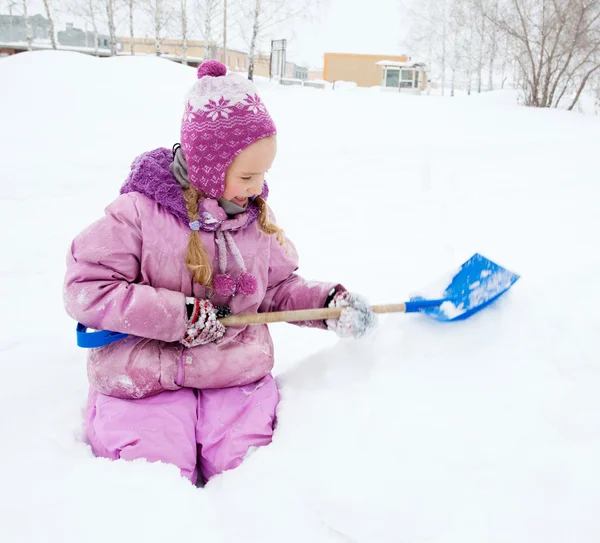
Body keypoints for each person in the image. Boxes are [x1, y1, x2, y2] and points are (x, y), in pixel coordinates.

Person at [63, 60, 376, 486]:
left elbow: (277, 288)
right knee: (152, 471)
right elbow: (88, 289)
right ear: (208, 166)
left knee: (248, 468)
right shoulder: (137, 214)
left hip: (232, 374)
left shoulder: (253, 221)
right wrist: (178, 315)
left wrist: (326, 305)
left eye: (264, 173)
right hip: (145, 374)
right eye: (247, 175)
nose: (258, 187)